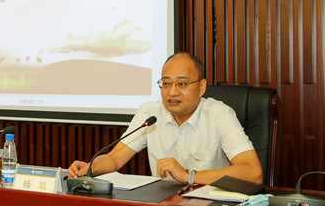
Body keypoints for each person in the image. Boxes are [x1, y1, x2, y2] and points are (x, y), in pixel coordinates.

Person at [67, 52, 263, 186]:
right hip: (164, 205)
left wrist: (189, 176)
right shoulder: (150, 113)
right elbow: (114, 158)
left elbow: (253, 173)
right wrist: (90, 167)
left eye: (182, 84)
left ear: (202, 87)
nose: (172, 92)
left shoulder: (219, 114)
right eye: (166, 84)